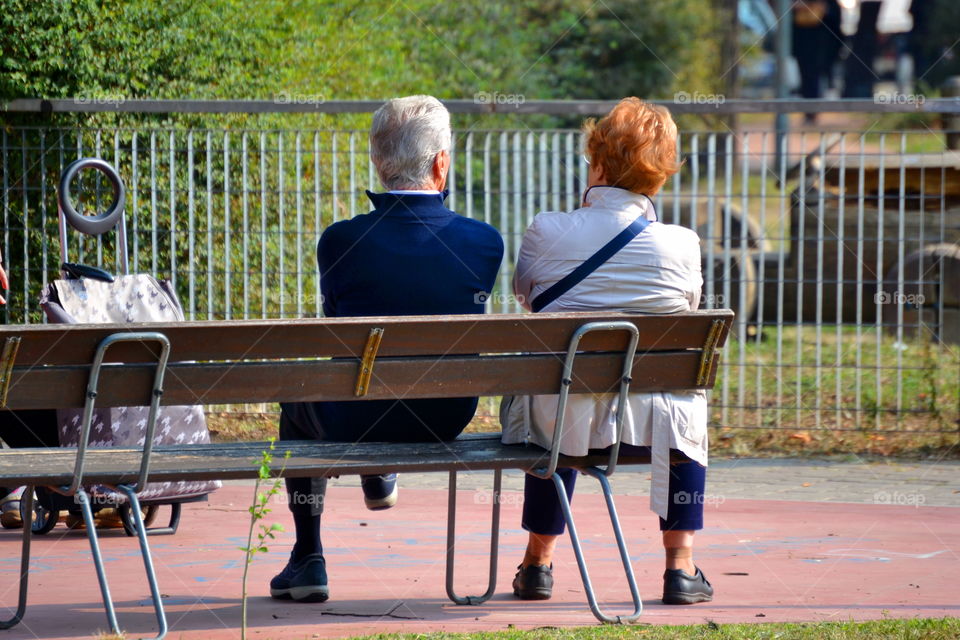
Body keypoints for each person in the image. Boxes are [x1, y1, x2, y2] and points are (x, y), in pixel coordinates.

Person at [269, 95, 504, 603]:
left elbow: (339, 325)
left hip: (353, 417)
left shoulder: (339, 241)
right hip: (444, 415)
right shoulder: (485, 242)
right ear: (442, 163)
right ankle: (377, 474)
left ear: (378, 162)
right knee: (373, 385)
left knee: (299, 399)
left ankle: (308, 555)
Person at [503, 97, 712, 605]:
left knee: (557, 395)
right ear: (660, 176)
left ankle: (538, 562)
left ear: (596, 164)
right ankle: (680, 567)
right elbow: (689, 306)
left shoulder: (546, 229)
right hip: (651, 420)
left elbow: (527, 297)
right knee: (687, 403)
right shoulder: (682, 243)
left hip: (561, 416)